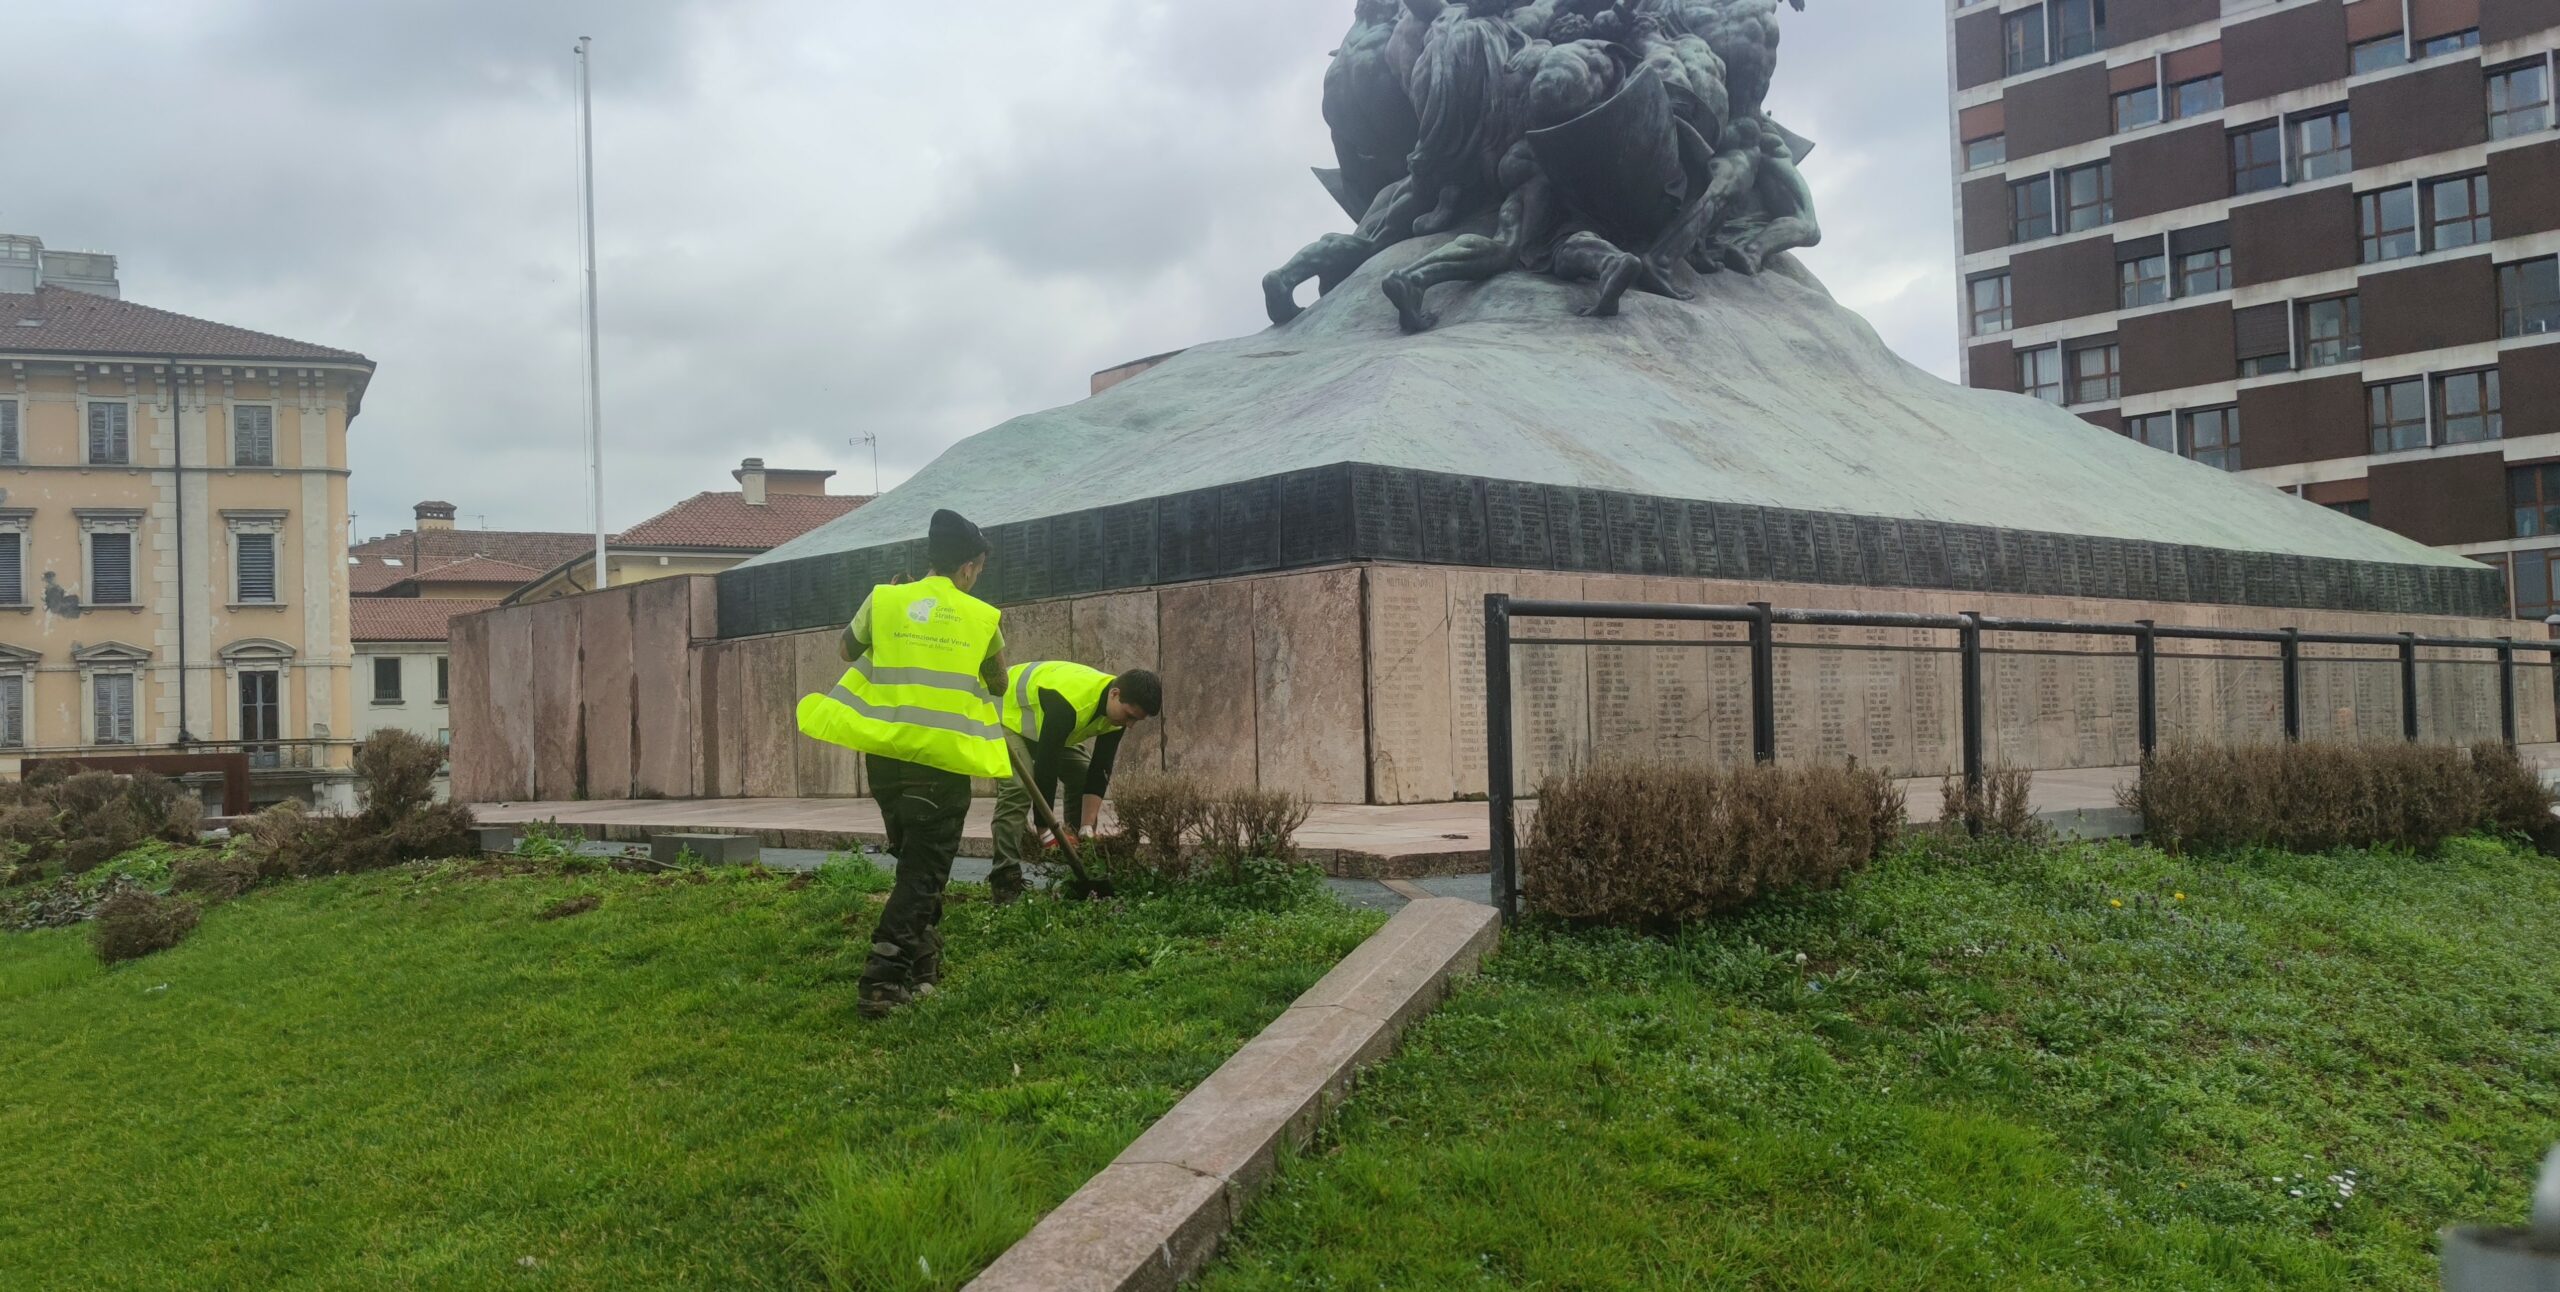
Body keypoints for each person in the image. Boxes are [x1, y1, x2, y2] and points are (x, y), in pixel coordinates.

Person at [795, 509, 1009, 1019]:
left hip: (887, 763)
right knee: (923, 876)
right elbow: (1000, 684)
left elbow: (846, 650)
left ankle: (923, 968)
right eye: (978, 568)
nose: (977, 576)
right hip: (940, 765)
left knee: (915, 866)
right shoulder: (982, 618)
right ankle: (881, 982)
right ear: (968, 567)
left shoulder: (885, 598)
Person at [988, 662, 1164, 902]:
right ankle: (1005, 878)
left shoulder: (1117, 709)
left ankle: (1076, 857)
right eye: (1130, 716)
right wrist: (1045, 830)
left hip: (1039, 724)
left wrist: (1087, 828)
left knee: (1080, 773)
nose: (1130, 725)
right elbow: (1046, 766)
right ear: (1115, 694)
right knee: (1019, 787)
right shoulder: (1070, 703)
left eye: (1137, 721)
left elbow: (1099, 768)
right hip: (1001, 712)